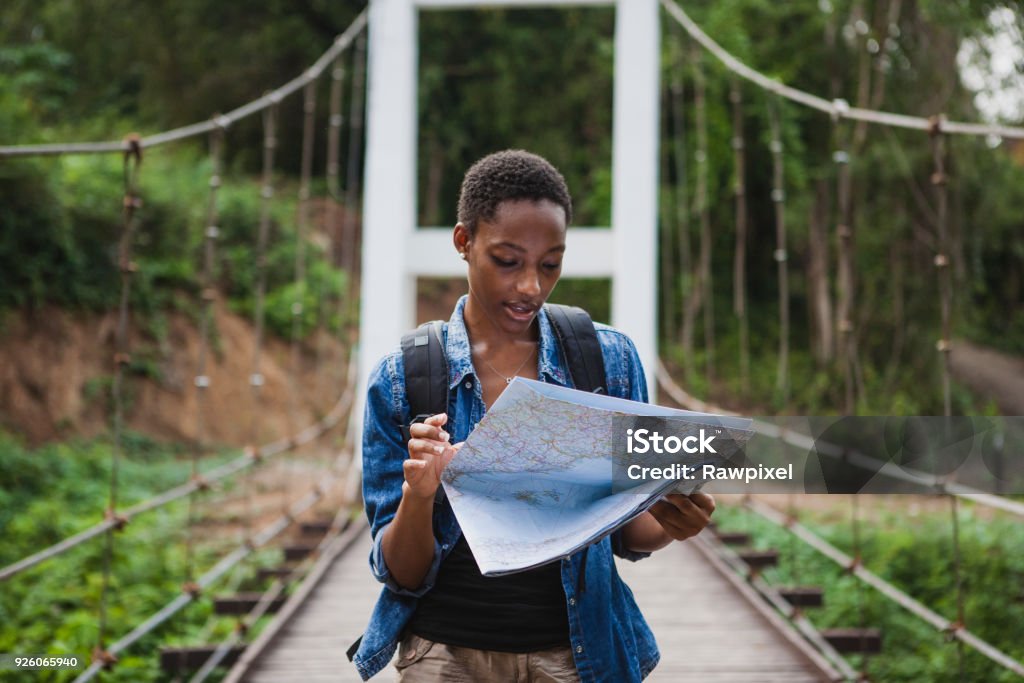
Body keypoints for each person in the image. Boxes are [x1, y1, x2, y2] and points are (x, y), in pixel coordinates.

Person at [351, 150, 716, 682]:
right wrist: (420, 494)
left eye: (550, 264)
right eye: (507, 261)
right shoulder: (402, 378)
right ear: (463, 242)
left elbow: (628, 533)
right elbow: (401, 573)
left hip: (578, 658)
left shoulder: (607, 361)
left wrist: (670, 521)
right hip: (443, 659)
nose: (531, 288)